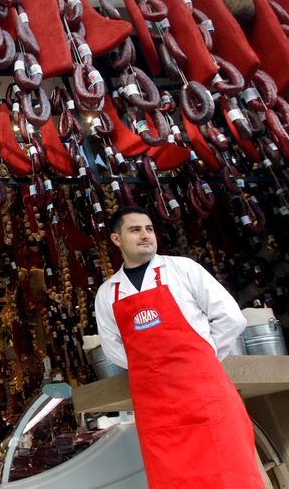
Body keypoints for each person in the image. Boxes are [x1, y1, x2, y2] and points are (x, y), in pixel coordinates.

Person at [94, 206, 263, 488]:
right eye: (135, 230)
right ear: (116, 239)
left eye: (149, 229)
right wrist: (151, 366)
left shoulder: (182, 269)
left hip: (205, 395)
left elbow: (231, 318)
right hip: (155, 408)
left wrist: (203, 356)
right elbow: (112, 348)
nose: (145, 235)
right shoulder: (108, 292)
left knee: (231, 473)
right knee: (172, 478)